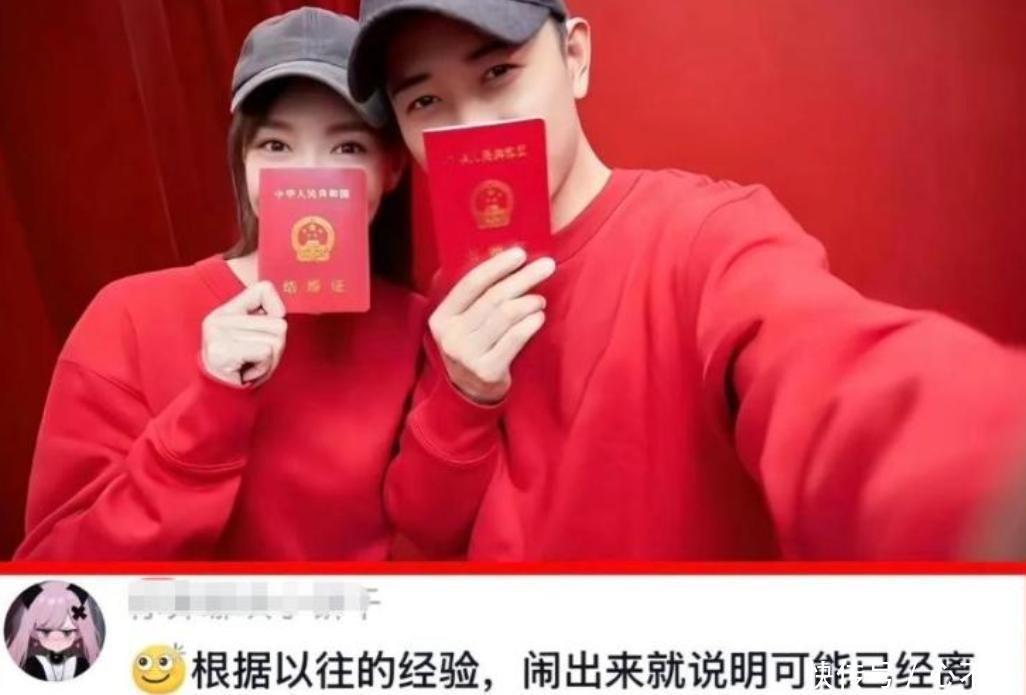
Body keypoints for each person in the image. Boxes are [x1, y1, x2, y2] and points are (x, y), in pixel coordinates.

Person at [351, 0, 1026, 560]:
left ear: (576, 57)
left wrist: (984, 474)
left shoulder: (707, 238)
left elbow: (834, 377)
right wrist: (464, 396)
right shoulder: (452, 292)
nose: (472, 128)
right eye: (427, 101)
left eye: (499, 72)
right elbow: (428, 526)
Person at [16, 8, 467, 560]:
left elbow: (438, 540)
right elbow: (55, 583)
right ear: (243, 162)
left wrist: (470, 395)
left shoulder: (423, 329)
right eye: (276, 146)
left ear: (392, 169)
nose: (308, 176)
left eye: (347, 147)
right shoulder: (128, 317)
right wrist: (210, 406)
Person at [5, 581, 103, 681]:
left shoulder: (81, 663)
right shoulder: (32, 664)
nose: (56, 640)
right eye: (46, 632)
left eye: (67, 632)